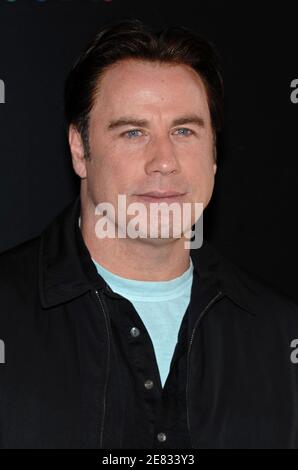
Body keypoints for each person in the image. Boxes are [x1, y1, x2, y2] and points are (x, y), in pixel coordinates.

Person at [0, 17, 298, 450]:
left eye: (184, 131)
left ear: (215, 153)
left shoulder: (281, 334)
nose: (164, 160)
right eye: (134, 131)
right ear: (80, 151)